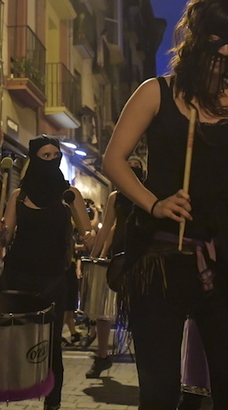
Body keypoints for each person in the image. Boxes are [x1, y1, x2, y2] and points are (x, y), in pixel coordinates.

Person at [103, 0, 228, 410]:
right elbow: (114, 160)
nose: (225, 51)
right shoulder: (155, 92)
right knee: (159, 395)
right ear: (195, 38)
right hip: (161, 259)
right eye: (216, 40)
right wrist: (155, 204)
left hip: (223, 258)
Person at [0, 135, 95, 410]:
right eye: (45, 156)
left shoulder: (69, 195)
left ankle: (52, 402)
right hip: (17, 275)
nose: (51, 161)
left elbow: (88, 236)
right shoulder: (19, 195)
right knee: (4, 338)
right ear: (34, 159)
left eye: (55, 156)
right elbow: (4, 240)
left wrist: (91, 237)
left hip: (52, 278)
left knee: (52, 343)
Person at [85, 156, 146, 378]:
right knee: (104, 309)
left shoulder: (147, 192)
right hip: (117, 255)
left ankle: (145, 359)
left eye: (137, 166)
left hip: (140, 255)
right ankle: (102, 356)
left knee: (140, 310)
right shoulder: (115, 196)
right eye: (129, 165)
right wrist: (94, 255)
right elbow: (107, 227)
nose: (133, 168)